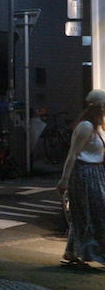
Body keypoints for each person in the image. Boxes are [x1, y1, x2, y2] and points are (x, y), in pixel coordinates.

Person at [56, 89, 105, 267]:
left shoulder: (99, 127)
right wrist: (64, 180)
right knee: (90, 213)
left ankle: (73, 251)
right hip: (84, 173)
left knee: (86, 214)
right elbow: (73, 153)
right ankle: (86, 252)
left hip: (96, 172)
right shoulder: (86, 126)